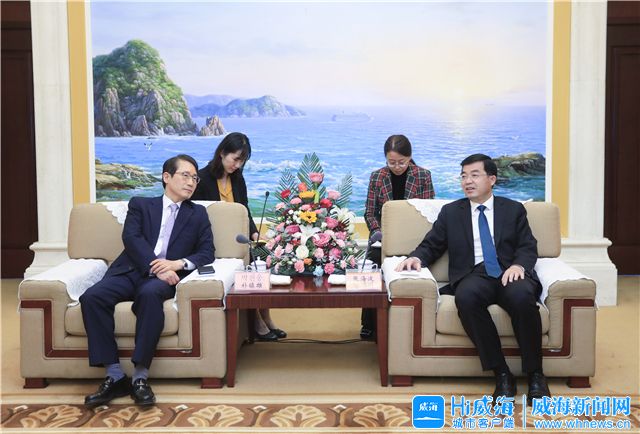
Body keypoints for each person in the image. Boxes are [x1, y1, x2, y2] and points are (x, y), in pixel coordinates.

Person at [395, 153, 550, 402]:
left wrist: (519, 265)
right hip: (474, 274)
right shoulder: (451, 213)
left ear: (492, 179)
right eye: (464, 176)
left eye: (474, 175)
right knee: (466, 298)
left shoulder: (513, 210)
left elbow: (527, 245)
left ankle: (535, 375)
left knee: (522, 297)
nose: (467, 181)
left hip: (509, 271)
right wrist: (416, 258)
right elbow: (432, 245)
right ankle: (501, 373)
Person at [80, 154, 214, 407]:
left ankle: (140, 378)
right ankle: (114, 375)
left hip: (164, 278)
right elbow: (131, 238)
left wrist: (176, 264)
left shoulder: (198, 214)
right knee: (92, 297)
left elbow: (207, 252)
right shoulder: (141, 205)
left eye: (195, 178)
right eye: (185, 175)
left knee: (150, 295)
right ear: (166, 177)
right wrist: (156, 266)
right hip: (130, 271)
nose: (191, 182)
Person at [192, 132, 286, 341]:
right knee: (251, 264)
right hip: (216, 242)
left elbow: (245, 210)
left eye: (242, 161)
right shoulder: (202, 179)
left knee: (262, 260)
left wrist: (254, 233)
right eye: (235, 159)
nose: (237, 165)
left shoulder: (237, 178)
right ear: (222, 153)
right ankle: (256, 321)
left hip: (240, 239)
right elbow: (196, 217)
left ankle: (266, 317)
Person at [361, 134, 435, 340]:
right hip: (382, 237)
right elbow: (369, 213)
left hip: (414, 238)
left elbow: (428, 211)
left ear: (410, 157)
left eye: (402, 162)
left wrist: (408, 236)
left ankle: (406, 325)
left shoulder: (423, 176)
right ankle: (369, 324)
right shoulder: (377, 177)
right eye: (391, 162)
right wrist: (379, 233)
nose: (397, 167)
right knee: (372, 269)